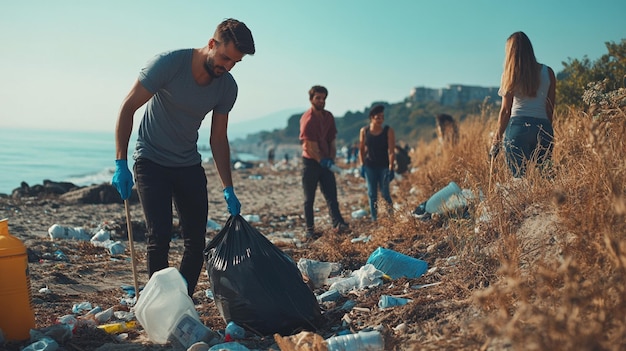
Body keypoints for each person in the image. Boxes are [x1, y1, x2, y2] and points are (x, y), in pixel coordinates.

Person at [111, 19, 255, 296]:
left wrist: (228, 188)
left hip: (187, 163)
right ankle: (159, 300)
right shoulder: (168, 64)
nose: (227, 67)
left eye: (235, 62)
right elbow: (128, 107)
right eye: (225, 57)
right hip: (150, 160)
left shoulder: (227, 87)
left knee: (196, 241)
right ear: (211, 44)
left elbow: (218, 138)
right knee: (160, 236)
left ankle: (182, 301)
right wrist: (120, 162)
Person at [491, 31, 556, 178]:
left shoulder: (509, 75)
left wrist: (496, 140)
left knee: (519, 180)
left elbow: (505, 111)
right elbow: (550, 108)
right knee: (545, 178)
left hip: (518, 129)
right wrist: (546, 131)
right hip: (543, 128)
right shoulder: (549, 72)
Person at [299, 85, 349, 238]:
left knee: (331, 195)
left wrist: (331, 160)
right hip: (311, 162)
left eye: (323, 98)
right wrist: (321, 160)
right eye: (318, 98)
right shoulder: (308, 119)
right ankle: (310, 229)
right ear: (311, 99)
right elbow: (309, 146)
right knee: (309, 199)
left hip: (326, 161)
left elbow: (332, 140)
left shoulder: (328, 117)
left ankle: (338, 223)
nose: (321, 101)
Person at [358, 105, 395, 221]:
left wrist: (391, 167)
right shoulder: (364, 131)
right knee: (372, 194)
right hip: (370, 166)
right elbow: (361, 149)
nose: (380, 120)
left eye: (382, 117)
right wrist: (361, 165)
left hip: (383, 166)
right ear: (371, 118)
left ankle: (391, 218)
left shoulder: (388, 131)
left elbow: (391, 151)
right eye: (378, 117)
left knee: (385, 193)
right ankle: (374, 218)